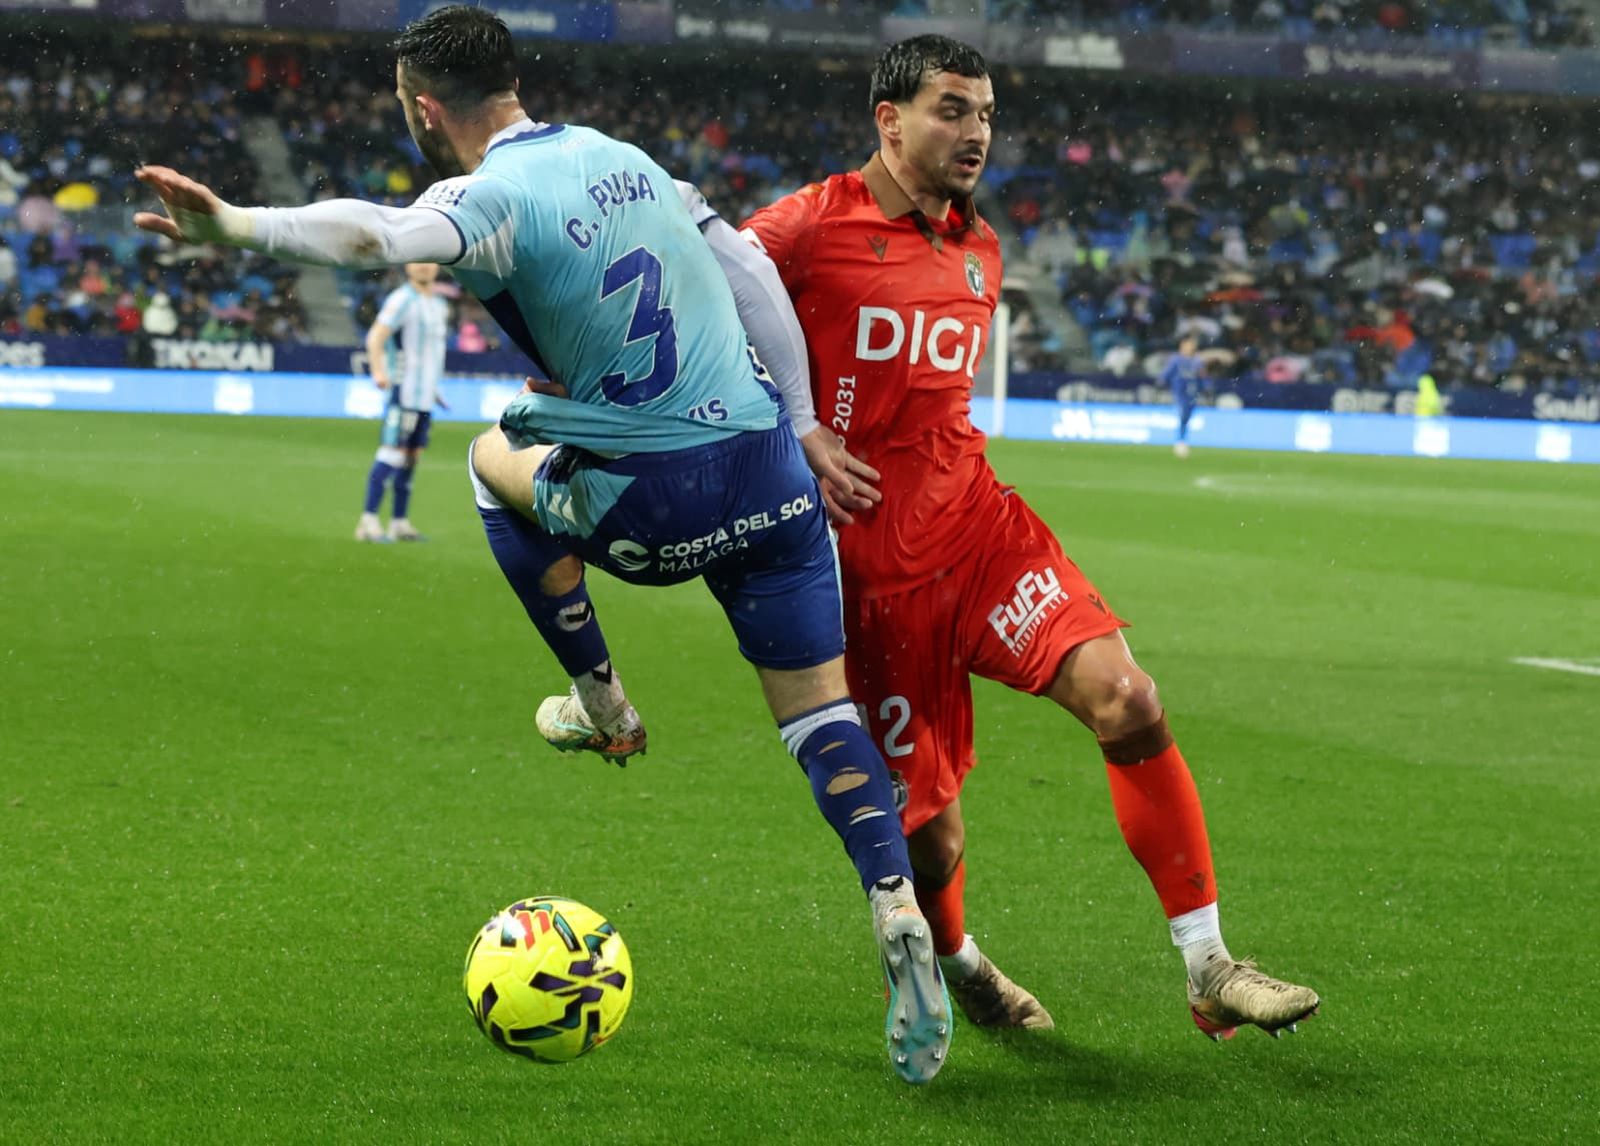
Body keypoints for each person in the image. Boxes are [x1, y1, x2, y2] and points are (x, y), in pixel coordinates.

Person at [132, 5, 951, 1085]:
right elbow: (752, 273)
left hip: (652, 503)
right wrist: (800, 417)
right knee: (819, 710)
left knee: (486, 463)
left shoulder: (481, 198)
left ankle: (604, 705)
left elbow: (376, 236)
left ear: (425, 107)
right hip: (770, 473)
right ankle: (895, 906)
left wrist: (236, 227)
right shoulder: (627, 159)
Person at [741, 34, 1319, 1040]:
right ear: (890, 119)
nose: (977, 133)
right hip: (868, 574)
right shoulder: (805, 227)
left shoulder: (980, 248)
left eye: (986, 114)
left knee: (1128, 698)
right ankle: (961, 960)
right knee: (932, 840)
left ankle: (1209, 963)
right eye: (953, 110)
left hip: (980, 532)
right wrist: (794, 423)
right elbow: (708, 310)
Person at [356, 261, 451, 543]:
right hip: (404, 392)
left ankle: (399, 522)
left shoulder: (439, 304)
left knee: (411, 459)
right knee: (391, 454)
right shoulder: (401, 299)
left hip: (424, 398)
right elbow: (376, 336)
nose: (423, 266)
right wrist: (378, 371)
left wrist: (434, 390)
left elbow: (432, 353)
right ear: (408, 266)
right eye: (417, 260)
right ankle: (368, 521)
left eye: (429, 260)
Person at [1160, 334, 1205, 458]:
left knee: (1187, 417)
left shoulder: (1197, 361)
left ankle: (1183, 439)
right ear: (1182, 346)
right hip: (1180, 392)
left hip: (1192, 394)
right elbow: (1167, 373)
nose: (1191, 347)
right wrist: (1162, 381)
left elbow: (1201, 377)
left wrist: (1205, 387)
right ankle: (1180, 441)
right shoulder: (1176, 359)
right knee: (1182, 414)